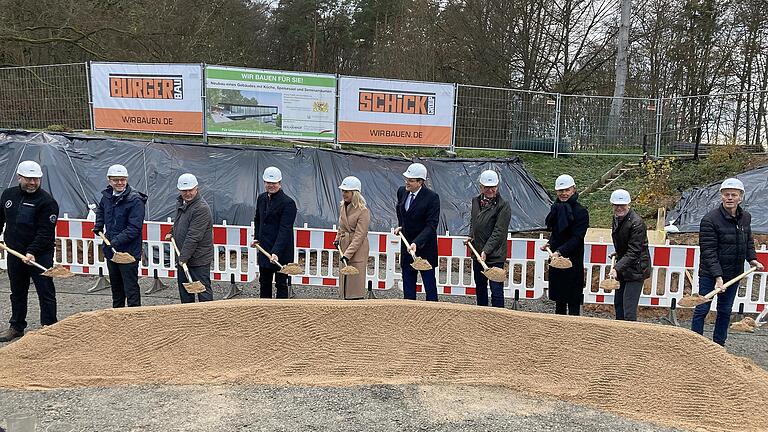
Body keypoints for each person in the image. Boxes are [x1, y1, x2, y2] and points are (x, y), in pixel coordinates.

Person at [692, 178, 764, 346]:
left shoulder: (745, 217)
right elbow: (708, 251)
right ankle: (695, 344)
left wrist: (752, 259)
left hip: (734, 273)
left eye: (734, 194)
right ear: (721, 196)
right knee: (702, 308)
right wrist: (718, 277)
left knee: (725, 310)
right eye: (726, 194)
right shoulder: (710, 220)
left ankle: (718, 345)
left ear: (741, 197)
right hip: (710, 274)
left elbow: (747, 240)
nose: (730, 198)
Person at [0, 161, 59, 342]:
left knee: (45, 290)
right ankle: (16, 326)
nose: (33, 182)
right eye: (29, 179)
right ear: (20, 177)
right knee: (17, 290)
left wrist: (32, 251)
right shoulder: (8, 195)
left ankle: (49, 327)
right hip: (15, 252)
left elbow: (45, 231)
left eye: (36, 179)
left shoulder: (47, 202)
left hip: (40, 254)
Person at [93, 164, 147, 308]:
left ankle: (134, 318)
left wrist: (114, 242)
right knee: (116, 289)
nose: (120, 183)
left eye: (123, 180)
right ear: (109, 180)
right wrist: (98, 225)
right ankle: (117, 318)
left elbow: (134, 228)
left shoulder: (135, 200)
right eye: (116, 180)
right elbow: (101, 210)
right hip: (112, 251)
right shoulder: (107, 196)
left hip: (128, 252)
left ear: (127, 179)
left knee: (131, 289)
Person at [541, 174, 589, 316]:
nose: (563, 193)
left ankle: (574, 331)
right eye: (560, 191)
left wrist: (560, 251)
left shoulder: (581, 212)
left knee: (573, 300)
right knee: (559, 300)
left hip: (572, 261)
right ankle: (558, 331)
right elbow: (557, 233)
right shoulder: (556, 208)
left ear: (573, 189)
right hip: (556, 261)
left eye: (566, 190)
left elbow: (577, 238)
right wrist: (550, 244)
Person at [395, 163, 440, 301]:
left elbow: (431, 225)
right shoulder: (402, 191)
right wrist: (401, 226)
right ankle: (409, 311)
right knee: (408, 282)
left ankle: (433, 311)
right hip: (407, 246)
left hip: (425, 247)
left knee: (429, 283)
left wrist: (417, 242)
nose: (407, 182)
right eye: (406, 179)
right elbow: (402, 212)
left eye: (411, 180)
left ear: (420, 182)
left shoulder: (432, 197)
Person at [251, 166, 297, 299]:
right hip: (265, 248)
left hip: (281, 251)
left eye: (273, 183)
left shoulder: (288, 203)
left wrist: (276, 251)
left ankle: (281, 312)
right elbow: (258, 219)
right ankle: (265, 311)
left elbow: (285, 229)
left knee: (281, 283)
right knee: (264, 282)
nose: (270, 185)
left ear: (280, 183)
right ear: (264, 182)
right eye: (268, 182)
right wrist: (257, 238)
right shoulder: (261, 198)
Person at [167, 173, 213, 303]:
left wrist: (182, 258)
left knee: (202, 290)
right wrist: (172, 232)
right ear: (179, 190)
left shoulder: (201, 208)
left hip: (198, 258)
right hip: (184, 256)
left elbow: (194, 236)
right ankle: (188, 318)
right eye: (184, 191)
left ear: (196, 188)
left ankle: (208, 317)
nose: (187, 193)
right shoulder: (182, 203)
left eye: (190, 190)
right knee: (186, 290)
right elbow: (180, 221)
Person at [468, 169, 511, 308]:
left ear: (497, 187)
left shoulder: (503, 206)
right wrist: (471, 237)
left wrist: (486, 250)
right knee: (480, 288)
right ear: (481, 187)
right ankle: (482, 316)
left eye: (493, 187)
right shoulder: (475, 201)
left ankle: (498, 318)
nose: (490, 190)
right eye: (486, 187)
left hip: (495, 255)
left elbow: (499, 231)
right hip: (478, 253)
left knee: (496, 290)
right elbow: (473, 222)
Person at [608, 189, 650, 321]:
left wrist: (616, 268)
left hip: (636, 269)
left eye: (622, 205)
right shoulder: (617, 219)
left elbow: (634, 251)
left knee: (629, 310)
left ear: (629, 205)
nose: (619, 208)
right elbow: (627, 243)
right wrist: (620, 251)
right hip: (625, 267)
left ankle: (630, 339)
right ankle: (619, 337)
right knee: (619, 305)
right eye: (616, 205)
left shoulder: (637, 223)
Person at [334, 176, 371, 300]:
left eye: (347, 191)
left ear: (354, 193)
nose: (344, 194)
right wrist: (337, 238)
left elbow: (360, 235)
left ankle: (355, 300)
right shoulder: (342, 206)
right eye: (343, 191)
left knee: (355, 281)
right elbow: (341, 226)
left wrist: (348, 254)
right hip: (344, 245)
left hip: (357, 249)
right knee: (344, 277)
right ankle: (344, 299)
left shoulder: (363, 211)